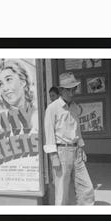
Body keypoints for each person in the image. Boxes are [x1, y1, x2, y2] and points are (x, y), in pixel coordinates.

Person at [43, 72, 95, 205]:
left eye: (74, 89)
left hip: (76, 151)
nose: (72, 93)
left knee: (86, 187)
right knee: (62, 192)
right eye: (69, 90)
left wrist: (82, 147)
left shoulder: (74, 107)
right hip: (61, 153)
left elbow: (77, 129)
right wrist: (53, 156)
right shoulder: (52, 108)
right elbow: (49, 133)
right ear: (61, 90)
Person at [0, 59, 38, 134]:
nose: (5, 88)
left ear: (22, 82)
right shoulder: (0, 120)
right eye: (0, 84)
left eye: (8, 79)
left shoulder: (37, 115)